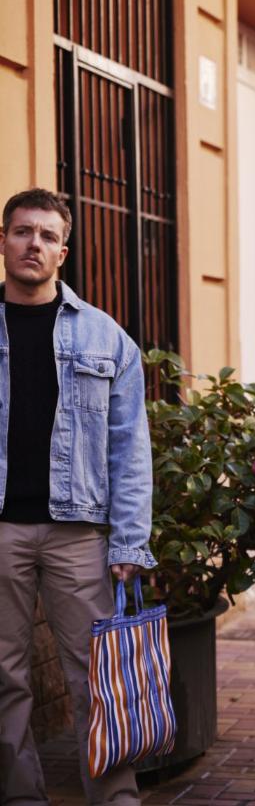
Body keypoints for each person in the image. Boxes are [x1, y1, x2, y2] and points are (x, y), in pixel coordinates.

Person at [0, 188, 155, 803]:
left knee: (98, 675)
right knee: (6, 678)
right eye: (21, 231)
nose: (32, 243)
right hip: (3, 528)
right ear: (4, 239)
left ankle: (114, 798)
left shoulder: (106, 339)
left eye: (46, 235)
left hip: (78, 531)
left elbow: (130, 449)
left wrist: (130, 542)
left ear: (64, 250)